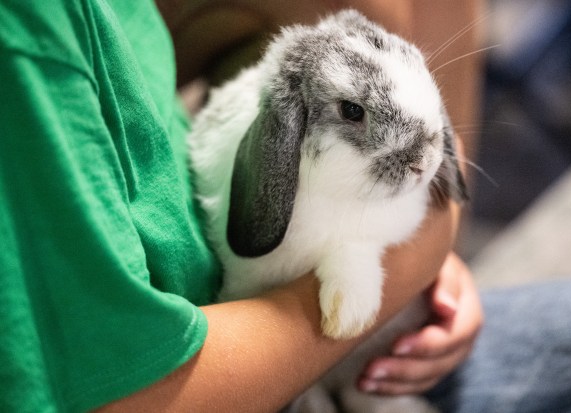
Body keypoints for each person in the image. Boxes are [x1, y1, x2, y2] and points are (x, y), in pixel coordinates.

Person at [0, 1, 481, 412]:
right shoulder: (26, 48)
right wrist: (419, 256)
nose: (421, 161)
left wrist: (425, 256)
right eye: (352, 114)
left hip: (365, 342)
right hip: (244, 357)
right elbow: (127, 389)